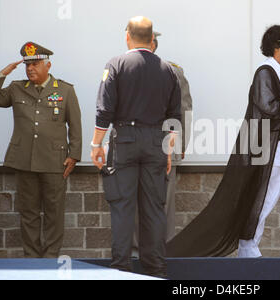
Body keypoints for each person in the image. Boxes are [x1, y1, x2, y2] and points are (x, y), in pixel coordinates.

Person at [166, 25, 280, 259]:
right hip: (273, 149)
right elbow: (268, 107)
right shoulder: (265, 72)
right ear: (277, 46)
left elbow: (276, 107)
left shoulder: (279, 72)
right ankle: (248, 246)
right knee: (265, 197)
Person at [91, 16, 181, 278]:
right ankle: (156, 271)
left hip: (125, 141)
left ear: (127, 36)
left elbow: (104, 110)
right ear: (152, 39)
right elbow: (174, 117)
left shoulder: (116, 64)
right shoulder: (168, 69)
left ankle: (121, 270)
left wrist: (97, 144)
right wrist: (167, 150)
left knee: (122, 206)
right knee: (154, 208)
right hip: (156, 141)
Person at [0, 42, 82, 258]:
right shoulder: (16, 88)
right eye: (27, 64)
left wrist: (74, 155)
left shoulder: (65, 90)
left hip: (54, 161)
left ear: (47, 65)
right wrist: (1, 74)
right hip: (24, 159)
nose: (30, 68)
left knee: (54, 212)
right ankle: (31, 258)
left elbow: (75, 125)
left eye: (35, 64)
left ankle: (50, 257)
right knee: (29, 212)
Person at [131, 31, 193, 258]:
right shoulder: (124, 69)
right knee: (136, 201)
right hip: (134, 148)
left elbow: (184, 109)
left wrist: (180, 144)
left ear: (154, 45)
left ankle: (162, 252)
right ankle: (137, 253)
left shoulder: (173, 71)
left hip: (165, 146)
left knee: (164, 203)